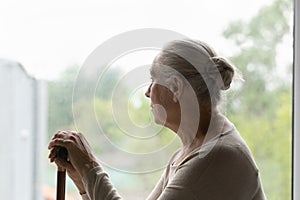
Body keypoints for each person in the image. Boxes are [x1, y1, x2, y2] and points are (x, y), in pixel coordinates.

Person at [48, 39, 266, 200]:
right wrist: (83, 180)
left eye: (153, 80)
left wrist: (89, 167)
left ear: (175, 87)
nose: (147, 92)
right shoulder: (191, 152)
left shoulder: (216, 156)